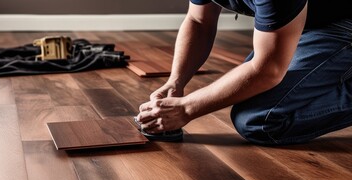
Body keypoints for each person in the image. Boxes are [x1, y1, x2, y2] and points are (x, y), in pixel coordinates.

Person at [135, 0, 352, 145]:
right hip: (307, 23)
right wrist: (175, 82)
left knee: (260, 120)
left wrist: (187, 108)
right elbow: (199, 21)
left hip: (341, 25)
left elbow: (268, 70)